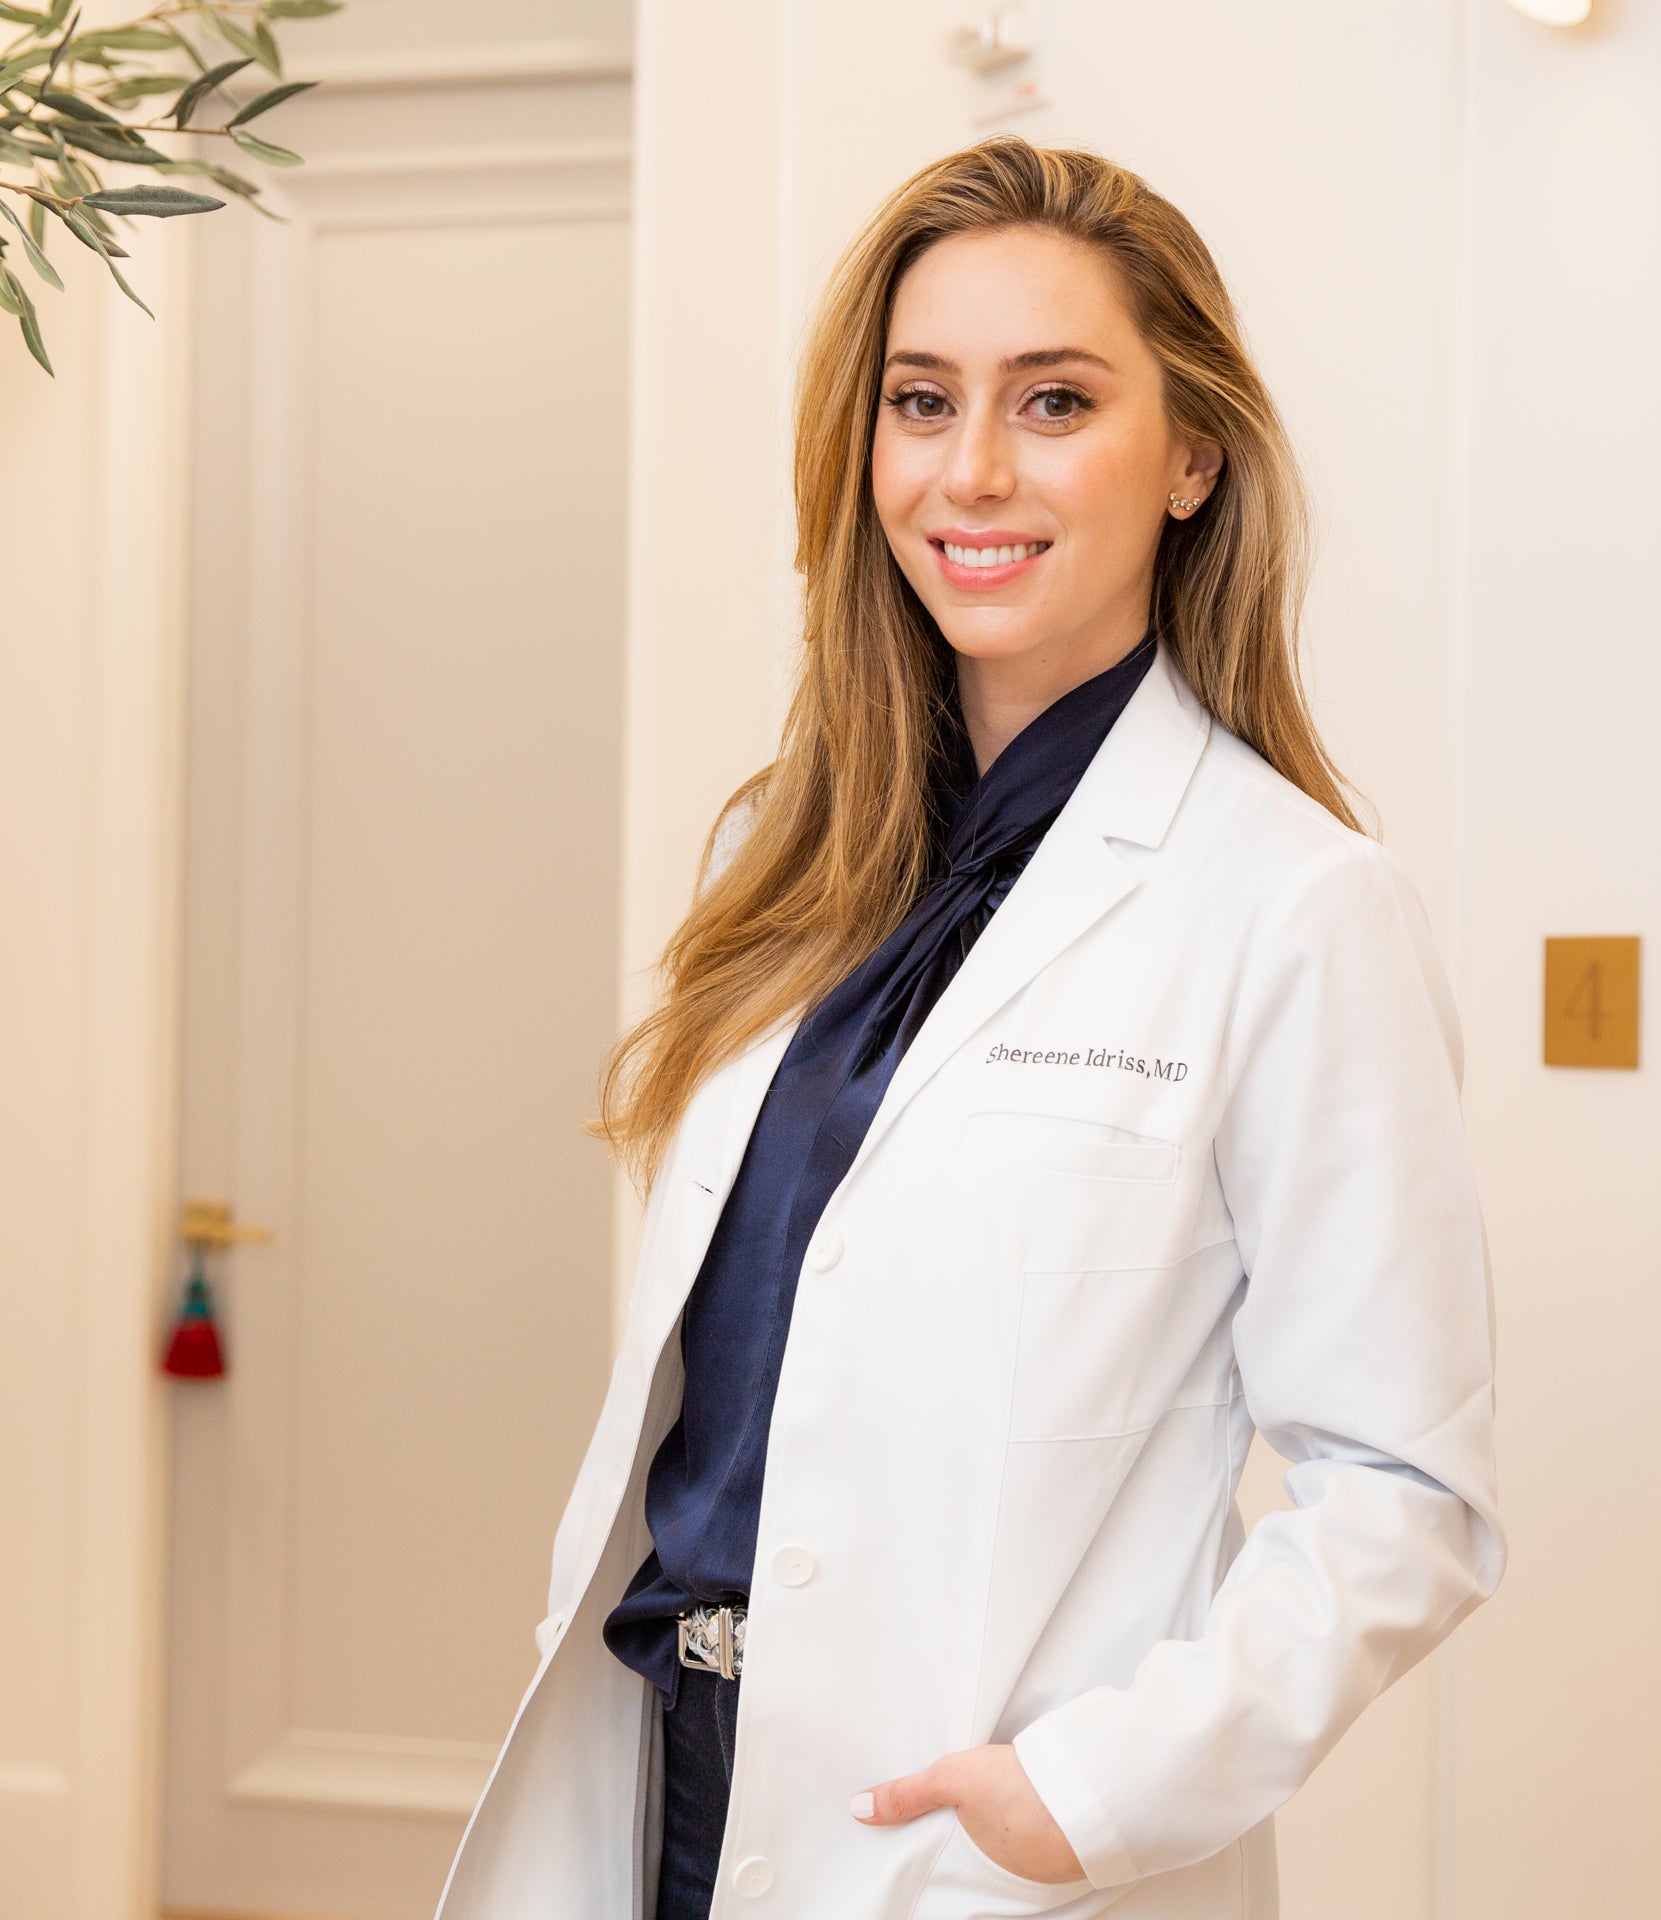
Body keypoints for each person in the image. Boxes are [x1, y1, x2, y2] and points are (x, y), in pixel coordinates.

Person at [435, 137, 1503, 1920]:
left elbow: (1406, 1490)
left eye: (1057, 400)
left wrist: (1084, 1795)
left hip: (970, 1853)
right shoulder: (781, 857)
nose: (973, 470)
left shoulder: (1292, 906)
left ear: (1192, 455)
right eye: (920, 402)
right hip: (667, 1797)